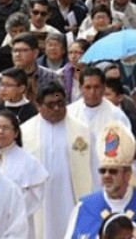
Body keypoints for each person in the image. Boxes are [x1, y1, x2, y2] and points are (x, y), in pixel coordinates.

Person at [21, 82, 93, 239]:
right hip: (40, 200)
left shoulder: (82, 130)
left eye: (60, 103)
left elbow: (93, 167)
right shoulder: (25, 132)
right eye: (51, 104)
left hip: (71, 196)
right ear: (38, 105)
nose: (57, 108)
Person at [65, 122, 136, 238]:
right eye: (103, 171)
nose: (106, 176)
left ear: (128, 174)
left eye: (113, 171)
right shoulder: (84, 207)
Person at [68, 67, 132, 189]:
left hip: (105, 175)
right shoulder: (70, 113)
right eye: (88, 87)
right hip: (76, 173)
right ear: (80, 88)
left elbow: (126, 149)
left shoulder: (116, 115)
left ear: (103, 88)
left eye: (97, 87)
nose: (92, 92)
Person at [0, 110, 49, 239]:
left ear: (16, 133)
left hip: (18, 223)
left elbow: (36, 194)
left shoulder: (28, 161)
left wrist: (11, 209)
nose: (0, 132)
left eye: (5, 128)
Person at [0, 67, 38, 131]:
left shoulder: (31, 111)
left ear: (21, 88)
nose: (3, 89)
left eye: (8, 85)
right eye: (1, 85)